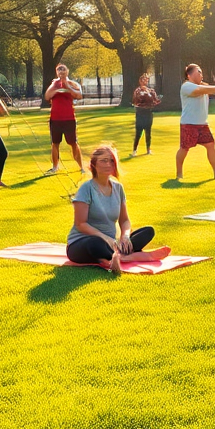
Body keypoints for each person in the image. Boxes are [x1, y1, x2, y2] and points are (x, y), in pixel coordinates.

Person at [67, 144, 171, 273]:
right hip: (82, 243)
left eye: (111, 160)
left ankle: (115, 256)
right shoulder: (86, 188)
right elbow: (80, 224)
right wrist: (105, 238)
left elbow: (125, 221)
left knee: (148, 231)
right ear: (94, 164)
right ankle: (134, 256)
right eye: (103, 160)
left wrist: (125, 237)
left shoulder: (118, 188)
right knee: (96, 243)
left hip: (111, 244)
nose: (108, 164)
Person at [175, 63, 215, 180]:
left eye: (201, 72)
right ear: (189, 75)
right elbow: (202, 90)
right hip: (189, 124)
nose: (201, 75)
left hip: (202, 124)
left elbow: (209, 90)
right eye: (198, 72)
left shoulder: (202, 85)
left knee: (210, 144)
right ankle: (179, 174)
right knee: (184, 148)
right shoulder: (187, 86)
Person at [44, 63, 84, 174]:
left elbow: (79, 95)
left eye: (63, 70)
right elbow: (47, 96)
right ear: (56, 72)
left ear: (67, 71)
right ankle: (55, 167)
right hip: (55, 119)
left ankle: (81, 167)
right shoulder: (54, 84)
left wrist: (67, 85)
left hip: (69, 119)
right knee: (55, 143)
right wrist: (56, 88)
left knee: (73, 143)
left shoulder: (73, 83)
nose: (61, 72)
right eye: (59, 70)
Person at [131, 73, 160, 157]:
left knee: (148, 132)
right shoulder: (137, 91)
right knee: (138, 133)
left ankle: (148, 149)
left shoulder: (151, 91)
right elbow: (136, 101)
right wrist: (144, 94)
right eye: (143, 80)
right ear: (140, 81)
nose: (145, 81)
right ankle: (134, 150)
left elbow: (156, 101)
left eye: (146, 80)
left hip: (148, 113)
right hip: (140, 114)